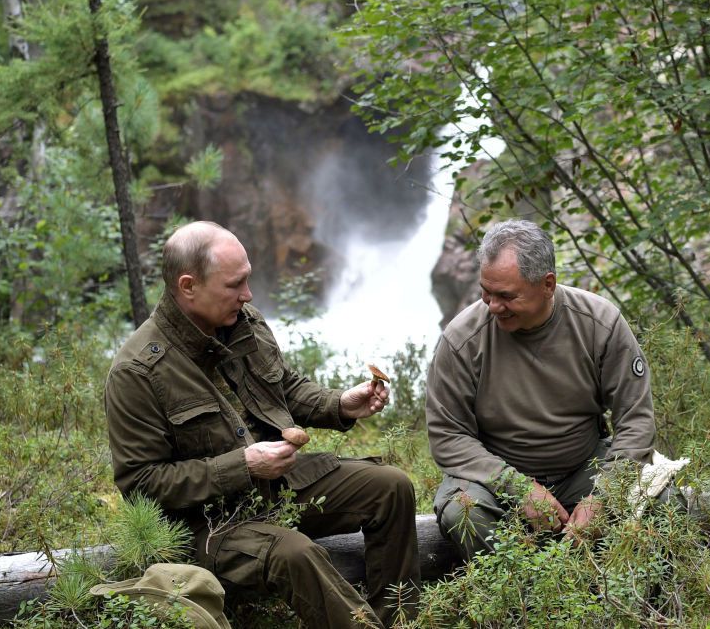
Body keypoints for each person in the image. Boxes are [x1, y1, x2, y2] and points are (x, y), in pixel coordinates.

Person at [104, 221, 418, 628]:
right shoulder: (137, 372)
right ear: (188, 286)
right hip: (211, 525)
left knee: (391, 487)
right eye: (235, 284)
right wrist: (244, 466)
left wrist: (339, 405)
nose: (248, 294)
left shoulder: (242, 320)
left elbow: (281, 386)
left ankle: (399, 620)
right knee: (295, 553)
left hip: (279, 487)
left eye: (247, 280)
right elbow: (141, 483)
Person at [425, 219, 656, 560]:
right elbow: (447, 435)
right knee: (462, 513)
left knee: (659, 499)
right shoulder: (462, 339)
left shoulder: (599, 323)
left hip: (583, 469)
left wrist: (603, 497)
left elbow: (636, 421)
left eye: (506, 296)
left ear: (547, 284)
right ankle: (526, 601)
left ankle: (606, 594)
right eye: (485, 292)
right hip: (497, 480)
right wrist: (517, 488)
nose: (492, 306)